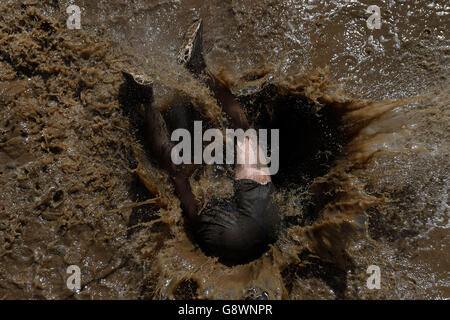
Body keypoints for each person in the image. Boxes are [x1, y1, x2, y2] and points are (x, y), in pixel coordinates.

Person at [123, 20, 280, 264]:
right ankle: (144, 97)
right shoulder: (249, 231)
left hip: (260, 222)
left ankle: (196, 67)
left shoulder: (269, 208)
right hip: (223, 243)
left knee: (244, 134)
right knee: (180, 177)